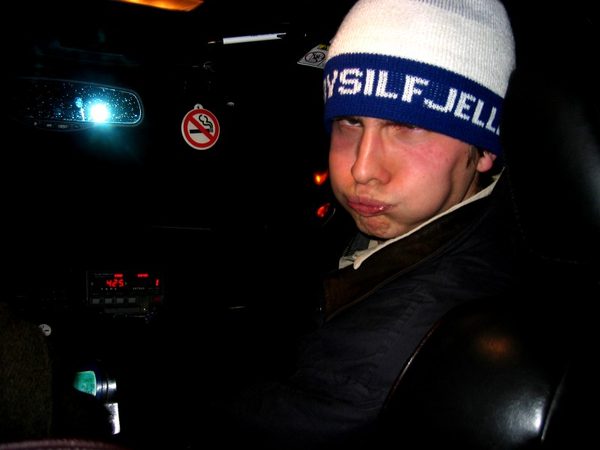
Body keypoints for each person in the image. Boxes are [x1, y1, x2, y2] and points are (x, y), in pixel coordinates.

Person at [195, 0, 519, 448]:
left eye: (406, 126)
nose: (361, 169)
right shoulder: (456, 225)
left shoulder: (379, 358)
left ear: (484, 148)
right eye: (350, 121)